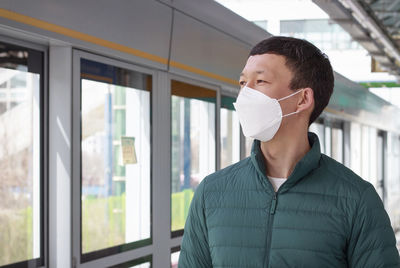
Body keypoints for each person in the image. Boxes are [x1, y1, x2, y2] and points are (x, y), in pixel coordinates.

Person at [178, 36, 400, 267]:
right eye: (243, 83)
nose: (245, 94)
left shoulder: (356, 199)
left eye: (260, 81)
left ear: (302, 98)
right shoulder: (211, 192)